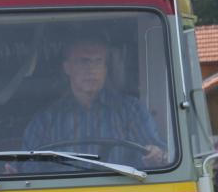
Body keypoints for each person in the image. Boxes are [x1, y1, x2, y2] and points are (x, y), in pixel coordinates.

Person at [22, 31, 167, 168]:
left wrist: (156, 154)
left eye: (98, 61)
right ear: (67, 68)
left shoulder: (131, 111)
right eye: (84, 61)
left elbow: (159, 153)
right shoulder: (46, 120)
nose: (91, 69)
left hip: (122, 184)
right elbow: (28, 167)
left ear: (105, 69)